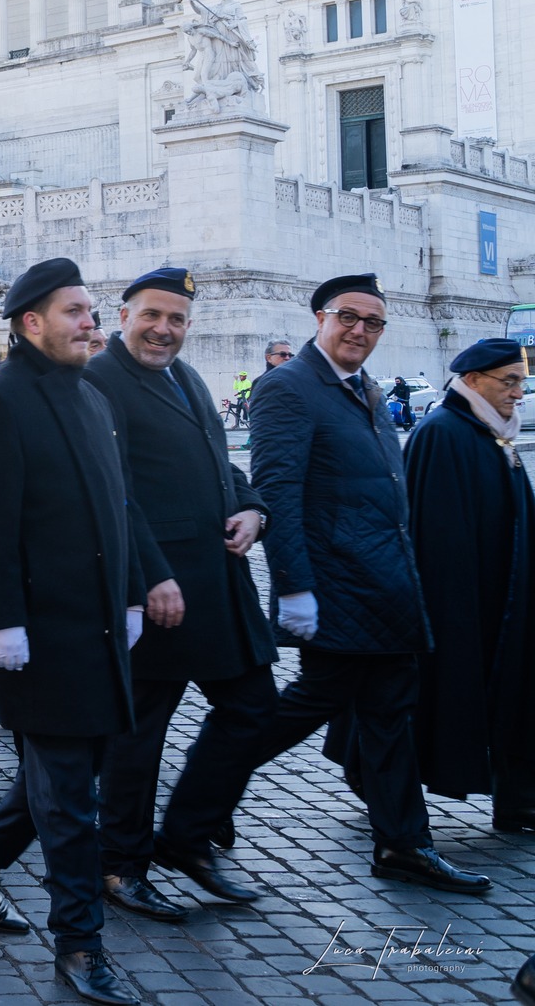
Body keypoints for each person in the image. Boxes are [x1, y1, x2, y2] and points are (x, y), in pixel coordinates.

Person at [206, 274, 488, 895]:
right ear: (319, 318)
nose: (361, 330)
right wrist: (296, 588)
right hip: (336, 587)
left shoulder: (365, 387)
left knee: (389, 715)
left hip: (384, 586)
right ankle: (201, 803)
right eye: (349, 317)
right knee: (306, 706)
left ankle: (403, 844)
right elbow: (277, 492)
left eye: (374, 323)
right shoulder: (287, 388)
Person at [0, 257, 154, 1006]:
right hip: (31, 635)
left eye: (92, 310)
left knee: (61, 782)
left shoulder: (91, 395)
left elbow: (116, 506)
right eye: (76, 312)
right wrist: (1, 623)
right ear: (31, 323)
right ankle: (80, 944)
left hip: (96, 627)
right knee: (69, 799)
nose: (92, 322)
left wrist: (130, 595)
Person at [85, 267, 273, 921]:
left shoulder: (186, 376)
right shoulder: (99, 380)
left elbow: (217, 460)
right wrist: (148, 574)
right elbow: (111, 491)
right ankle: (119, 865)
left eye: (178, 318)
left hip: (216, 585)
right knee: (138, 738)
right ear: (125, 313)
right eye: (153, 315)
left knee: (254, 706)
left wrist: (251, 507)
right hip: (157, 590)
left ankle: (187, 836)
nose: (165, 328)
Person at [402, 339, 535, 833]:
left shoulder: (491, 430)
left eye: (520, 381)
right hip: (464, 604)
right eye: (510, 381)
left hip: (504, 599)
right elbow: (436, 534)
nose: (519, 393)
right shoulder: (443, 432)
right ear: (475, 381)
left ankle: (518, 798)